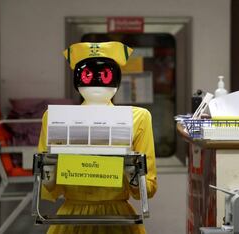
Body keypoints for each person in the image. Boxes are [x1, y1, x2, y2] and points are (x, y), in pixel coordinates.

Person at [38, 42, 157, 234]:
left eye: (105, 75)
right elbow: (47, 184)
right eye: (87, 76)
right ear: (77, 81)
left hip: (116, 218)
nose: (96, 82)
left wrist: (132, 171)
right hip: (74, 217)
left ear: (116, 81)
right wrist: (49, 172)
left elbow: (147, 187)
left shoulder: (138, 119)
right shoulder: (54, 119)